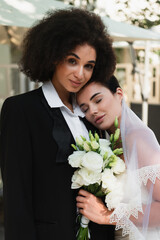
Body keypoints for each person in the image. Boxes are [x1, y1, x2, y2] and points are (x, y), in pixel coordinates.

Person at [0, 8, 116, 240]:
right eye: (72, 61)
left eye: (89, 66)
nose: (80, 74)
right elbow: (17, 196)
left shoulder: (92, 114)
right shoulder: (21, 110)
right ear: (53, 56)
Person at [76, 75, 160, 240]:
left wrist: (106, 216)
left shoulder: (137, 138)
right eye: (85, 109)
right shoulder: (109, 143)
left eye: (98, 100)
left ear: (119, 94)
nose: (92, 111)